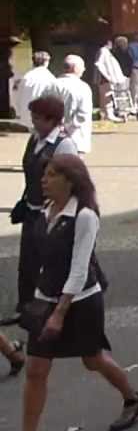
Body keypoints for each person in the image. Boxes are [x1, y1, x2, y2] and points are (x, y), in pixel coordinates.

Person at [19, 154, 138, 431]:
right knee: (36, 369)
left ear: (70, 181)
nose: (44, 180)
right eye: (44, 175)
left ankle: (132, 398)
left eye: (51, 175)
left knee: (93, 359)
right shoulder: (47, 210)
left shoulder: (84, 217)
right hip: (47, 297)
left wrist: (59, 313)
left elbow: (79, 270)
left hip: (81, 302)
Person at [2, 97, 78, 329]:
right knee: (28, 262)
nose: (33, 122)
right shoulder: (35, 139)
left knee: (50, 262)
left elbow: (71, 182)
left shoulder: (64, 145)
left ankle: (54, 309)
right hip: (32, 210)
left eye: (37, 118)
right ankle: (25, 308)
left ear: (51, 120)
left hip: (50, 212)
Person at [52, 56, 93, 155]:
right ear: (74, 68)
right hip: (76, 137)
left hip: (54, 137)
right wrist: (67, 127)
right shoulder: (83, 87)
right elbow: (83, 114)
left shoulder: (52, 85)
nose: (84, 69)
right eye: (82, 67)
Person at [13, 51, 57, 130]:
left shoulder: (26, 77)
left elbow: (18, 95)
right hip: (44, 115)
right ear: (46, 62)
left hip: (28, 114)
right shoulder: (50, 78)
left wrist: (18, 112)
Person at [93, 38, 127, 123]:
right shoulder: (103, 51)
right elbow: (99, 64)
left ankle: (104, 115)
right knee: (107, 97)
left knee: (105, 97)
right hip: (104, 79)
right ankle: (109, 115)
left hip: (106, 79)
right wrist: (108, 77)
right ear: (108, 43)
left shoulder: (106, 52)